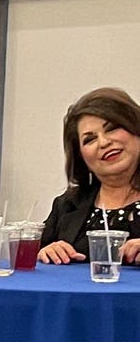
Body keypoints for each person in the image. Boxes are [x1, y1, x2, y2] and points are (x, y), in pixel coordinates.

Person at [39, 87, 140, 265]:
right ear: (81, 157)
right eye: (89, 139)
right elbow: (35, 259)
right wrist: (46, 253)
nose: (104, 142)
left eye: (112, 128)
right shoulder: (67, 205)